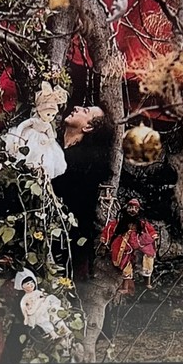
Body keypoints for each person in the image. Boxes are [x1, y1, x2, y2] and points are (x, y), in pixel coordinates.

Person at [52, 104, 113, 278]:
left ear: (88, 128)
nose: (77, 107)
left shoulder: (84, 160)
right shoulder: (53, 143)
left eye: (85, 111)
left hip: (67, 241)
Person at [4, 82, 68, 179]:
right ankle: (18, 160)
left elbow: (51, 137)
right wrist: (16, 140)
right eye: (48, 114)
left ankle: (32, 167)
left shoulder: (48, 126)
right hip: (28, 136)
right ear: (39, 111)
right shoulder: (34, 121)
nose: (50, 118)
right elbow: (21, 126)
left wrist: (48, 141)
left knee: (39, 154)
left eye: (53, 115)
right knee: (23, 148)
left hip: (41, 142)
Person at [100, 199, 158, 294]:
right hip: (124, 242)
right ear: (126, 208)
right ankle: (125, 287)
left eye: (135, 208)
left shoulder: (141, 222)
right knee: (125, 261)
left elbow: (149, 229)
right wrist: (105, 238)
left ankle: (147, 281)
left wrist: (153, 236)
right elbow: (110, 229)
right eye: (130, 207)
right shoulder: (120, 221)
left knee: (149, 254)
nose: (132, 210)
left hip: (139, 240)